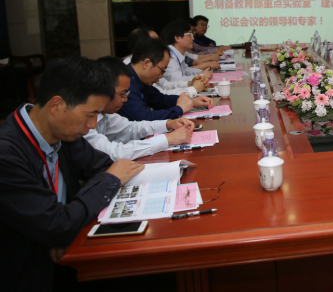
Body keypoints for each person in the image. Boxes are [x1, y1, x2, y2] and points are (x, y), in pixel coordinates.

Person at [0, 57, 144, 291]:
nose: (92, 125)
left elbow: (102, 166)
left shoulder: (62, 131)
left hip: (66, 255)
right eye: (90, 114)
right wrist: (63, 226)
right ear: (56, 105)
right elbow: (56, 224)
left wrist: (69, 225)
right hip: (26, 272)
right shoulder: (6, 154)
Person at [84, 57, 195, 160]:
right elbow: (114, 153)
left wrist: (168, 124)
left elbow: (131, 128)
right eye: (122, 94)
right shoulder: (85, 121)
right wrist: (167, 139)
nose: (125, 100)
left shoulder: (105, 114)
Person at [119, 38, 212, 121]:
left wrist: (191, 101)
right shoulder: (125, 82)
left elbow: (160, 100)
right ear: (146, 63)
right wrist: (179, 109)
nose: (161, 77)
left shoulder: (140, 79)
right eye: (162, 70)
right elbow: (144, 117)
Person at [124, 27, 208, 98]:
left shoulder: (150, 62)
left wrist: (189, 84)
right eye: (155, 41)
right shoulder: (131, 72)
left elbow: (164, 85)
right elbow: (161, 95)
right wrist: (193, 89)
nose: (160, 44)